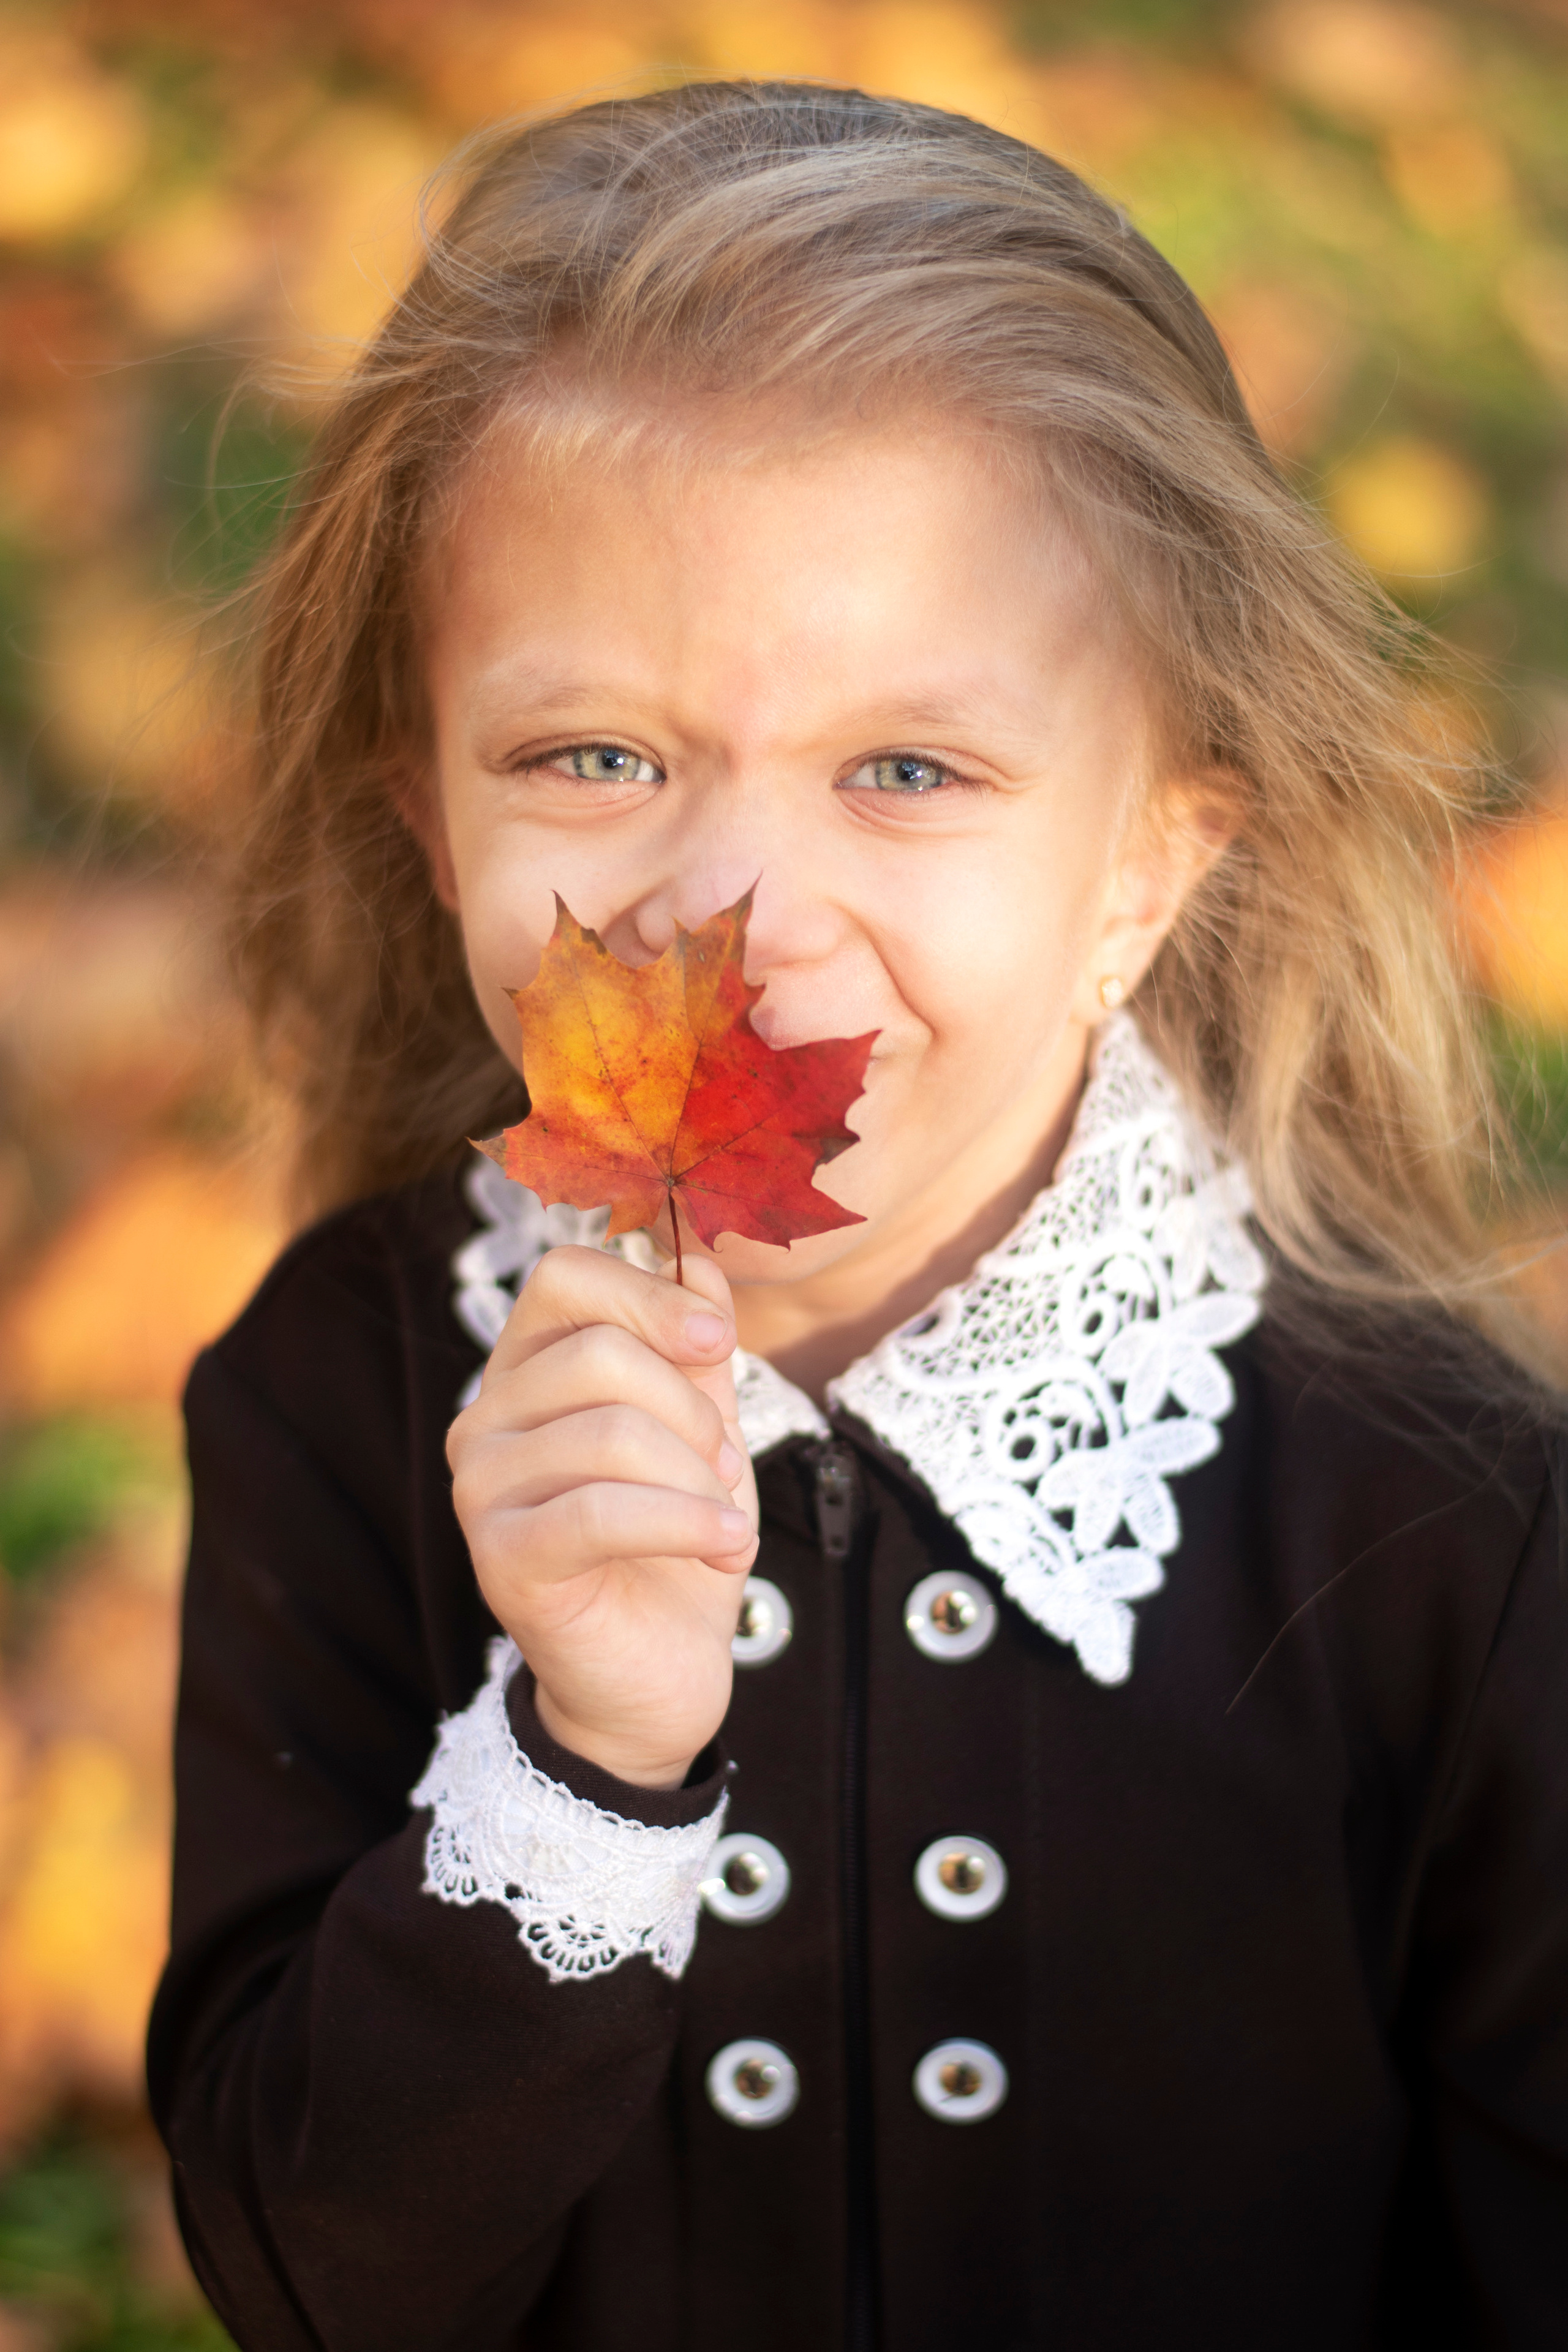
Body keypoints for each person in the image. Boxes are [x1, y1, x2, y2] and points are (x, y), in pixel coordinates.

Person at [147, 80, 1568, 2352]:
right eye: (592, 759)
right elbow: (316, 2281)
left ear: (1150, 861)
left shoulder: (1448, 1520)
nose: (736, 916)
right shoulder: (347, 1393)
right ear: (429, 824)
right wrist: (578, 1767)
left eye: (910, 773)